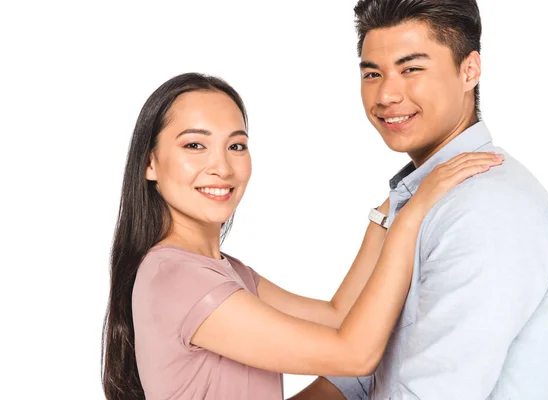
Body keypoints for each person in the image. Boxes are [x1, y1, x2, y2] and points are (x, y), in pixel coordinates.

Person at [100, 72, 501, 399]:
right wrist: (412, 216)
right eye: (194, 145)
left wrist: (387, 212)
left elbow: (337, 317)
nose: (221, 167)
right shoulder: (178, 279)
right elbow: (353, 353)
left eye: (236, 146)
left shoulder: (225, 272)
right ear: (150, 163)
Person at [291, 0, 548, 399]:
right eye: (373, 73)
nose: (386, 94)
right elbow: (363, 373)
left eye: (411, 69)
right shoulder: (425, 196)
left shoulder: (485, 209)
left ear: (469, 70)